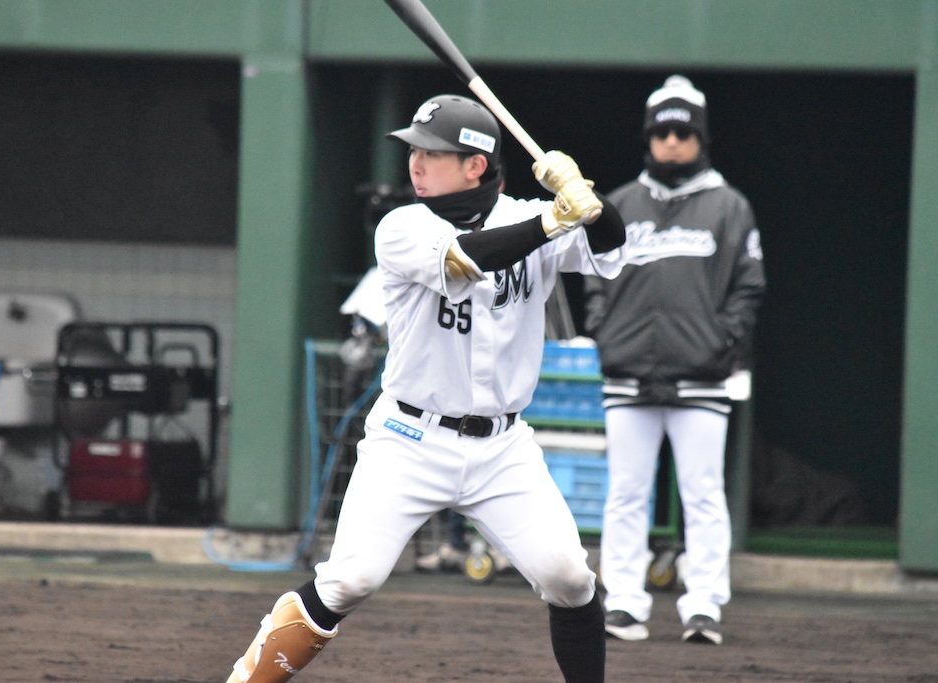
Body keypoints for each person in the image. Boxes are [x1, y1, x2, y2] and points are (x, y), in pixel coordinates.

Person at [221, 93, 627, 683]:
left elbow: (612, 246)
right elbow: (466, 258)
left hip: (502, 449)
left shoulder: (528, 217)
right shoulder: (403, 225)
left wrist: (592, 202)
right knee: (350, 578)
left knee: (570, 577)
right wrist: (554, 219)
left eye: (433, 153)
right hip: (409, 437)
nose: (415, 163)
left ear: (475, 166)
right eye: (414, 150)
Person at [582, 75, 766, 646]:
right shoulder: (619, 203)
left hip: (701, 378)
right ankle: (624, 605)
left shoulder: (731, 206)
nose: (672, 141)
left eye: (683, 131)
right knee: (626, 492)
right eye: (662, 130)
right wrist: (605, 333)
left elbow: (749, 288)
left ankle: (704, 605)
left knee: (703, 493)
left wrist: (719, 342)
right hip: (628, 374)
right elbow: (593, 278)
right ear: (649, 135)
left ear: (701, 138)